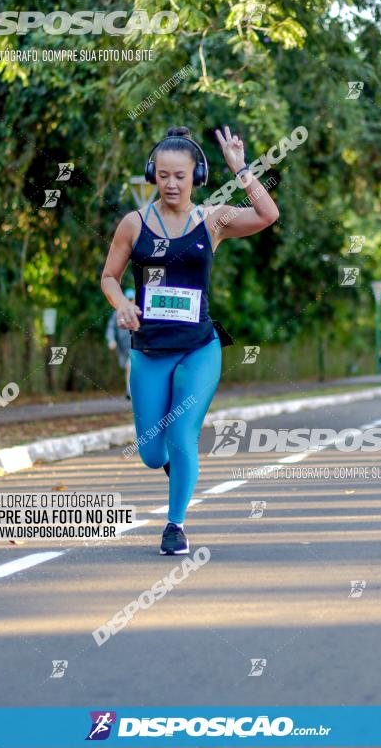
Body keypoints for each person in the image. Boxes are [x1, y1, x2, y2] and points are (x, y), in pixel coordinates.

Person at [101, 125, 279, 555]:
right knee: (149, 452)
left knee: (182, 435)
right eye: (163, 175)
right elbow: (109, 277)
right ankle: (174, 469)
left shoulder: (212, 219)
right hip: (149, 350)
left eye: (180, 176)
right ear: (152, 175)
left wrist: (239, 168)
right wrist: (120, 305)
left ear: (196, 176)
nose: (172, 184)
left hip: (200, 347)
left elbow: (268, 214)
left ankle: (175, 524)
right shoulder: (135, 224)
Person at [105, 287, 136, 399]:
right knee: (128, 367)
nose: (129, 301)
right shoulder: (117, 313)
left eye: (131, 299)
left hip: (137, 346)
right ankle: (130, 390)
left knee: (130, 366)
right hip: (123, 347)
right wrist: (111, 340)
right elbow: (111, 327)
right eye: (127, 299)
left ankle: (130, 391)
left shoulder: (139, 311)